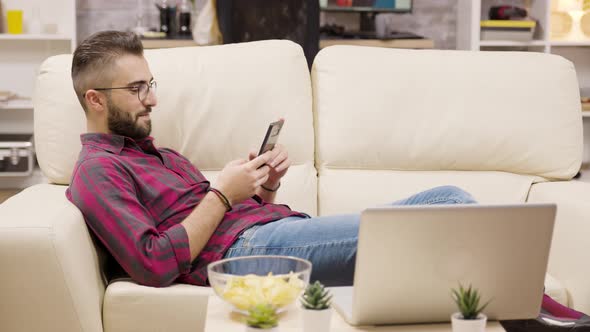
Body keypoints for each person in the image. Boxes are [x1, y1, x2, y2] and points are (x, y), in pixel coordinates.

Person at [66, 31, 477, 288]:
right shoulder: (98, 171)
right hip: (247, 255)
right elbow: (152, 263)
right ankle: (533, 313)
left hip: (266, 234)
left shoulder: (159, 154)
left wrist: (263, 189)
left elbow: (217, 222)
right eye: (137, 88)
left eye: (150, 85)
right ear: (96, 100)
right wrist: (223, 194)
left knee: (444, 211)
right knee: (451, 209)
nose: (152, 99)